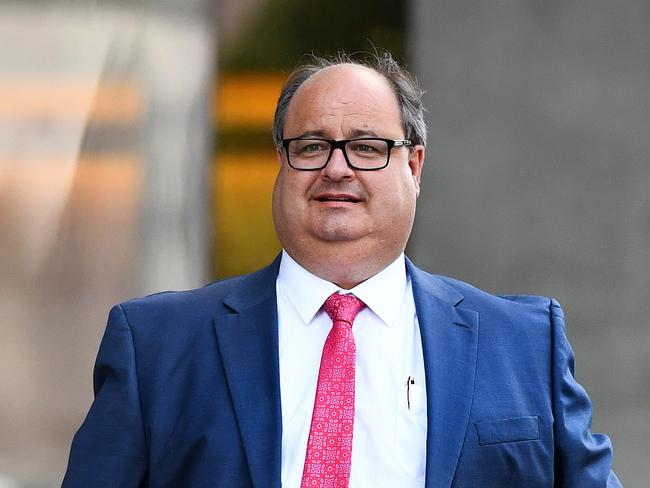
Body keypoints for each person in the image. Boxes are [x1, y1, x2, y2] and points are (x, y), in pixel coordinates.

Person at [63, 51, 621, 487]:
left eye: (367, 146)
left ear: (414, 164)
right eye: (311, 146)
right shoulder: (157, 347)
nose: (337, 168)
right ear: (282, 161)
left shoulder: (523, 344)